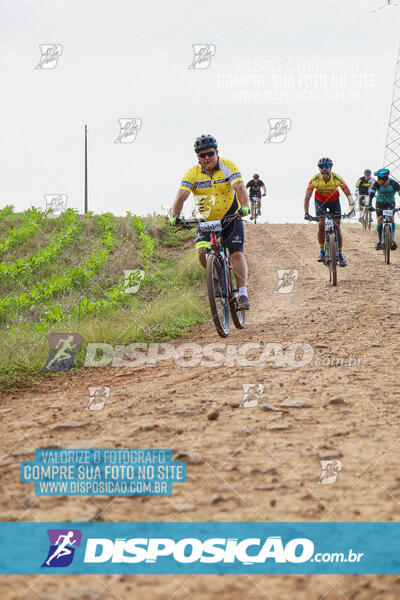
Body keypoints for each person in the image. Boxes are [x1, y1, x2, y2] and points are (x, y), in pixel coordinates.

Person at [170, 134, 251, 310]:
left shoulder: (228, 166)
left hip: (231, 216)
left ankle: (243, 293)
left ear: (217, 152)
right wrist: (174, 216)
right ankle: (214, 276)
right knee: (201, 251)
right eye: (202, 155)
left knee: (236, 252)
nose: (207, 158)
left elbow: (240, 187)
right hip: (207, 219)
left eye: (210, 153)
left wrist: (244, 206)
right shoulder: (193, 173)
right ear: (197, 157)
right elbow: (181, 196)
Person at [304, 157, 355, 267]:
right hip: (320, 203)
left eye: (326, 167)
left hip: (334, 202)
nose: (324, 169)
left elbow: (348, 193)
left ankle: (340, 255)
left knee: (337, 226)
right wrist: (306, 212)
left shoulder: (337, 178)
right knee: (321, 224)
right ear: (319, 169)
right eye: (321, 167)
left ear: (330, 168)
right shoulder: (315, 179)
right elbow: (307, 197)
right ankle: (322, 252)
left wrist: (352, 208)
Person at [368, 168, 399, 250]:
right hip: (380, 203)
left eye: (379, 179)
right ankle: (380, 242)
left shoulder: (393, 183)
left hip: (390, 203)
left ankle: (392, 241)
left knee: (391, 219)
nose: (377, 180)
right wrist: (369, 205)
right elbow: (371, 195)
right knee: (380, 220)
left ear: (384, 179)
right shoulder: (376, 184)